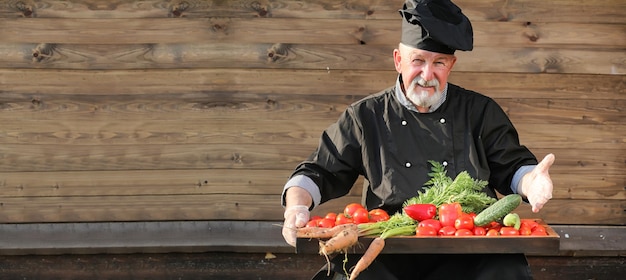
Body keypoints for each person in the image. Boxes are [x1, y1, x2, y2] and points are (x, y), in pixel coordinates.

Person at [280, 0, 555, 279]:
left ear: (452, 64)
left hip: (469, 248)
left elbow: (512, 166)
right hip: (387, 247)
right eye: (418, 61)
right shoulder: (366, 116)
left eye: (439, 63)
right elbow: (320, 170)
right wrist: (296, 207)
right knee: (348, 273)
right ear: (398, 60)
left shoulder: (480, 111)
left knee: (507, 269)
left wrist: (531, 181)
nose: (427, 75)